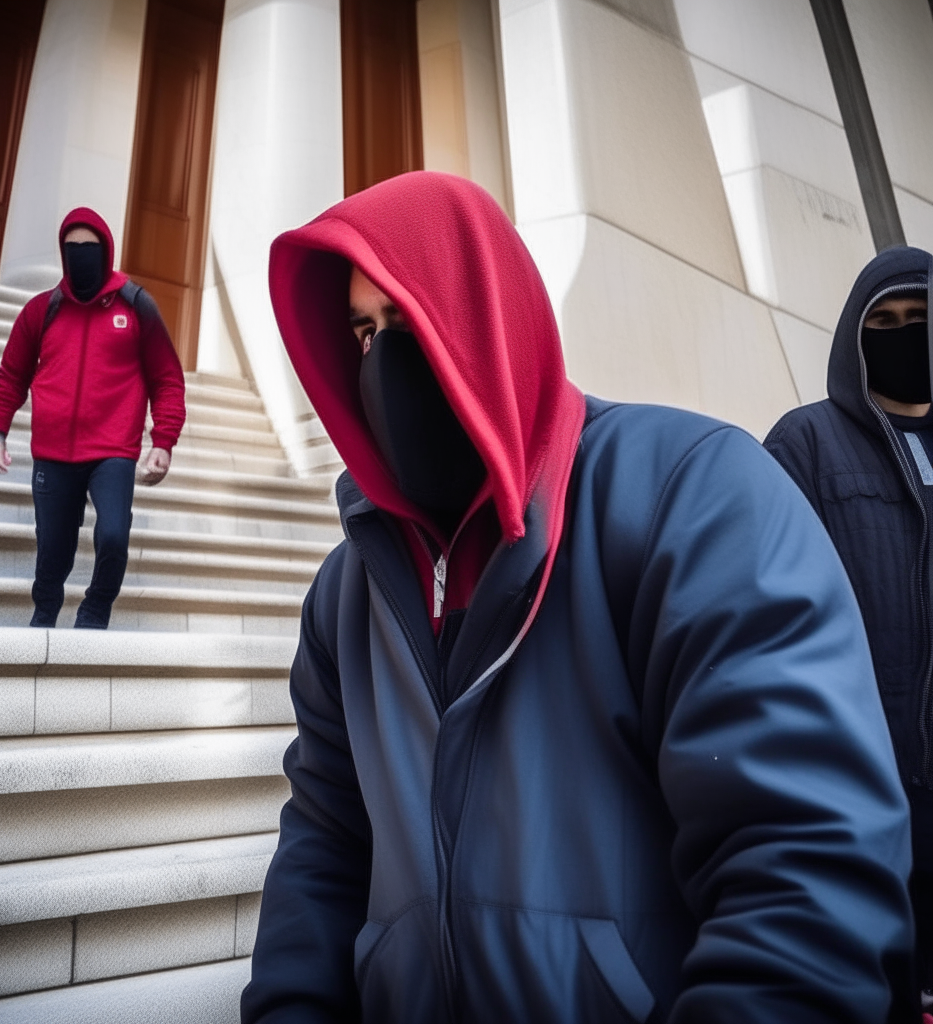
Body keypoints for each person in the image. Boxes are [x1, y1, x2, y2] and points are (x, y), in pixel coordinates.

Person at [241, 172, 915, 1023]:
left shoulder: (692, 497)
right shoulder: (347, 595)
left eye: (409, 320)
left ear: (485, 312)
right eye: (365, 333)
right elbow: (324, 854)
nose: (384, 363)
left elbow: (806, 870)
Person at [766, 245, 933, 1014]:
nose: (902, 336)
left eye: (919, 320)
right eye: (885, 322)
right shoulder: (807, 444)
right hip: (866, 790)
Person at [0, 207, 185, 629]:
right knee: (52, 550)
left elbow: (167, 378)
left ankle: (94, 612)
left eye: (88, 248)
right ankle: (44, 615)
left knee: (112, 535)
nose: (79, 255)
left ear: (106, 251)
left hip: (112, 450)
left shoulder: (136, 305)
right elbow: (12, 376)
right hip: (54, 453)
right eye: (71, 248)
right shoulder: (43, 310)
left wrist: (163, 440)